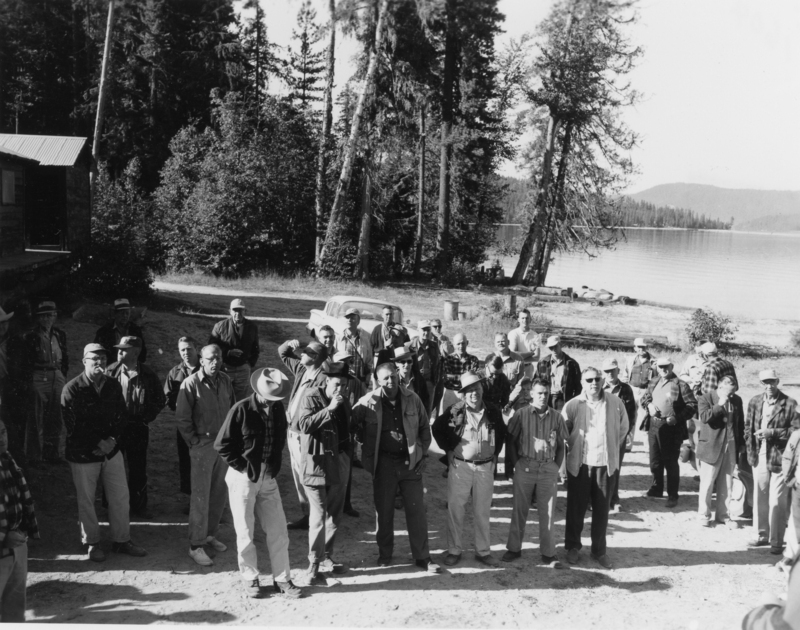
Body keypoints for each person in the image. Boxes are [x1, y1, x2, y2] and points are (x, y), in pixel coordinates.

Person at [214, 367, 302, 599]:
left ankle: (282, 579)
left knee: (278, 529)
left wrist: (271, 469)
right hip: (243, 476)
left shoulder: (277, 409)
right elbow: (222, 444)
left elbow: (279, 440)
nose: (274, 401)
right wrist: (243, 467)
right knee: (245, 530)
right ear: (259, 391)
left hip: (267, 477)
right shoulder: (241, 409)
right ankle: (250, 577)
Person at [61, 343, 147, 562]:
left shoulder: (112, 385)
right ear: (84, 362)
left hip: (111, 451)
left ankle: (122, 540)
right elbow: (73, 426)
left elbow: (122, 416)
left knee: (120, 497)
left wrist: (111, 441)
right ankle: (92, 543)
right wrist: (99, 442)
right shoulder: (72, 389)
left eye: (102, 358)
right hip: (82, 454)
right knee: (86, 500)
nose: (99, 362)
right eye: (94, 359)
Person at [352, 362, 440, 573]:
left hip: (410, 464)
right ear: (377, 380)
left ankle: (423, 557)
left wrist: (421, 456)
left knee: (416, 511)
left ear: (398, 375)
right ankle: (385, 554)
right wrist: (366, 456)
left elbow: (424, 429)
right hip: (383, 464)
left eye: (393, 376)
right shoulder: (367, 402)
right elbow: (354, 428)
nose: (390, 382)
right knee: (383, 512)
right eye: (385, 378)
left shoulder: (412, 399)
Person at [433, 372, 507, 567]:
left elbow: (501, 435)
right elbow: (437, 429)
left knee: (482, 511)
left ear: (482, 389)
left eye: (477, 388)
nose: (474, 393)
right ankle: (454, 550)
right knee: (456, 509)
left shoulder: (493, 410)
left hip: (485, 468)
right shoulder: (455, 410)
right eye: (469, 391)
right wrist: (448, 450)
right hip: (460, 466)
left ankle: (483, 552)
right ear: (463, 395)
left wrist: (494, 456)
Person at [562, 367, 629, 570]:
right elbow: (564, 431)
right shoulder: (573, 404)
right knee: (576, 509)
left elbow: (624, 428)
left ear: (603, 381)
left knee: (602, 510)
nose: (594, 383)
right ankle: (573, 547)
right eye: (589, 379)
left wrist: (610, 449)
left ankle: (599, 551)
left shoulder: (615, 403)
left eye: (597, 379)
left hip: (605, 465)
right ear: (582, 382)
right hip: (580, 465)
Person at [294, 362, 353, 586]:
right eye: (337, 384)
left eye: (344, 386)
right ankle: (313, 565)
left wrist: (346, 457)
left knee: (334, 514)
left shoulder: (344, 401)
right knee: (318, 517)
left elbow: (348, 429)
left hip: (338, 463)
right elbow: (304, 425)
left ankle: (326, 556)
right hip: (316, 464)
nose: (341, 389)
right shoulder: (310, 395)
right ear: (327, 381)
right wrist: (329, 410)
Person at [176, 344, 235, 566]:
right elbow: (182, 417)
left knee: (219, 492)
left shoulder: (225, 381)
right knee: (200, 496)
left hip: (223, 444)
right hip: (202, 444)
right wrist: (193, 441)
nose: (215, 362)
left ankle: (210, 534)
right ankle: (196, 545)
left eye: (218, 358)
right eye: (210, 359)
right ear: (201, 360)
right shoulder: (190, 384)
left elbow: (231, 410)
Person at [502, 379, 567, 568]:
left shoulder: (556, 417)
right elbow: (511, 440)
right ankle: (514, 548)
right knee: (519, 509)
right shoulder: (521, 415)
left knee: (547, 511)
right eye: (539, 393)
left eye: (546, 393)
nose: (542, 397)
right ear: (531, 394)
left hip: (548, 468)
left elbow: (562, 445)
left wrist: (556, 467)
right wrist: (516, 465)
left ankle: (548, 552)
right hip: (526, 466)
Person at [106, 336, 165, 517]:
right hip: (115, 428)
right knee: (112, 468)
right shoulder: (110, 372)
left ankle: (138, 506)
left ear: (136, 352)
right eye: (119, 349)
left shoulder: (148, 374)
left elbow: (160, 399)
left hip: (137, 427)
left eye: (124, 349)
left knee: (138, 467)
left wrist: (146, 417)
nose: (119, 352)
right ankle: (113, 507)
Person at [745, 369, 798, 555]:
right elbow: (748, 426)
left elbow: (796, 432)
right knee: (760, 495)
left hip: (780, 456)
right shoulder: (754, 401)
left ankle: (776, 541)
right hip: (758, 453)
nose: (769, 386)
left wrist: (772, 433)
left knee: (778, 499)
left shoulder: (790, 403)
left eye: (772, 382)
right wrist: (750, 445)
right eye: (765, 382)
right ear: (761, 383)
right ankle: (760, 535)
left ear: (778, 381)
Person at [279, 339, 329, 530]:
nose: (301, 354)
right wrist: (297, 343)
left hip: (307, 436)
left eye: (306, 352)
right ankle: (308, 515)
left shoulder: (324, 379)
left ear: (315, 357)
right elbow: (282, 352)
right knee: (298, 476)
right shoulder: (302, 370)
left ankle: (316, 518)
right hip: (292, 432)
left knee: (308, 476)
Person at [641, 357, 697, 507]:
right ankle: (656, 488)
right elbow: (644, 398)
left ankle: (673, 495)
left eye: (666, 366)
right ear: (656, 367)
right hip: (654, 425)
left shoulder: (681, 385)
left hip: (671, 429)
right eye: (660, 367)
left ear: (672, 366)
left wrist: (677, 418)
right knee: (655, 460)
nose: (663, 369)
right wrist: (649, 405)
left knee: (671, 462)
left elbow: (692, 405)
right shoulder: (654, 381)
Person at [0, 418, 39, 622]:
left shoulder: (8, 460)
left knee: (14, 610)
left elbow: (21, 501)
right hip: (3, 546)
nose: (1, 439)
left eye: (3, 432)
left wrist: (23, 530)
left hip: (17, 544)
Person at [21, 300, 68, 463]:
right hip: (39, 375)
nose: (47, 319)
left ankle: (52, 453)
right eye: (43, 316)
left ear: (55, 316)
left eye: (50, 315)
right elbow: (26, 362)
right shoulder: (31, 336)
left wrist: (63, 375)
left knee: (56, 416)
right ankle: (34, 456)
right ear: (38, 318)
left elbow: (65, 357)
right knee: (35, 417)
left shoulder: (60, 334)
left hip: (56, 374)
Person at [696, 375, 745, 528]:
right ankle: (704, 515)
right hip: (711, 446)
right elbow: (704, 418)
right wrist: (719, 405)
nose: (731, 396)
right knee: (708, 482)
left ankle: (723, 515)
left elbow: (740, 423)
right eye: (729, 393)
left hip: (730, 446)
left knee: (727, 483)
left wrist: (741, 443)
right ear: (720, 386)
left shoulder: (737, 400)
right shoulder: (705, 398)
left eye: (733, 392)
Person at [164, 337, 201, 498]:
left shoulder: (207, 368)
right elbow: (168, 398)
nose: (186, 353)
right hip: (185, 424)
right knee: (186, 461)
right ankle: (191, 498)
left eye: (189, 349)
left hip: (206, 422)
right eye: (182, 350)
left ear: (196, 349)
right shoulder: (175, 372)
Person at [332, 350, 366, 517]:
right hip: (330, 441)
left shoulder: (355, 383)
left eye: (348, 362)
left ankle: (345, 504)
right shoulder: (327, 386)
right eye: (342, 362)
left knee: (346, 474)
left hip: (346, 436)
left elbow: (361, 404)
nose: (346, 365)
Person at [602, 358, 636, 513]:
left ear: (618, 371)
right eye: (607, 371)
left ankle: (614, 498)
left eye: (613, 370)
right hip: (600, 434)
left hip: (618, 434)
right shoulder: (597, 386)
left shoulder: (626, 389)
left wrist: (627, 432)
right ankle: (598, 499)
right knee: (598, 467)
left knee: (615, 467)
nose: (610, 373)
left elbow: (631, 413)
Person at [209, 299, 260, 402]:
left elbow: (256, 348)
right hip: (225, 368)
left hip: (243, 369)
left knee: (240, 401)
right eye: (235, 310)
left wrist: (249, 364)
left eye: (240, 310)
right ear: (230, 311)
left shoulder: (252, 327)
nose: (238, 313)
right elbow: (212, 346)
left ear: (245, 311)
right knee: (222, 397)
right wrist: (227, 352)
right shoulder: (220, 326)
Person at [620, 338, 654, 445]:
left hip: (646, 391)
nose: (641, 349)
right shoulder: (631, 360)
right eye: (639, 347)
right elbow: (625, 375)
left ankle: (647, 444)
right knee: (630, 416)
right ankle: (628, 444)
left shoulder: (653, 361)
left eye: (643, 347)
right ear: (635, 348)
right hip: (632, 390)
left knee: (645, 417)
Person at [94, 298, 148, 363]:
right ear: (115, 314)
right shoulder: (104, 331)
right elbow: (97, 351)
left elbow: (142, 351)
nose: (125, 316)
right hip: (110, 367)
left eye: (127, 313)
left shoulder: (135, 330)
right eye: (122, 313)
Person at [536, 335, 581, 411]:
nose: (553, 349)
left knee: (563, 421)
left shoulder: (571, 364)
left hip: (564, 399)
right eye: (551, 347)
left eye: (555, 346)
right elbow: (536, 382)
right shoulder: (542, 363)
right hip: (547, 399)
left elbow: (578, 386)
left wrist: (574, 402)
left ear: (560, 345)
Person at [409, 320, 442, 415]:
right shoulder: (411, 346)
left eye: (428, 330)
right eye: (423, 330)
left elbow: (438, 364)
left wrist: (435, 381)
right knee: (414, 409)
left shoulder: (434, 346)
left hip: (429, 383)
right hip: (415, 383)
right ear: (418, 330)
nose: (426, 333)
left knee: (427, 410)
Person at [335, 308, 373, 385]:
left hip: (360, 378)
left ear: (358, 321)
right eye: (347, 318)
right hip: (344, 378)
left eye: (352, 318)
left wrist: (368, 376)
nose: (349, 320)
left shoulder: (366, 338)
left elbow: (369, 359)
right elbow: (335, 358)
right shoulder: (338, 338)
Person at [782, 428, 800, 571]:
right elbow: (788, 456)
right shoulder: (797, 435)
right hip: (798, 483)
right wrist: (789, 477)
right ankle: (790, 555)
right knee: (794, 521)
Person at [391, 346, 430, 411]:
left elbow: (425, 402)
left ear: (412, 363)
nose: (406, 365)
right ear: (396, 364)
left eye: (409, 361)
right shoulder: (391, 380)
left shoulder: (419, 380)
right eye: (403, 362)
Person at [507, 309, 541, 377]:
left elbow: (537, 357)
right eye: (522, 318)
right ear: (518, 319)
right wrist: (530, 353)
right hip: (514, 367)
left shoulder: (535, 336)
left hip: (528, 369)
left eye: (527, 318)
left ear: (530, 319)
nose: (525, 320)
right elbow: (513, 354)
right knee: (512, 387)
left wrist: (519, 356)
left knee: (527, 387)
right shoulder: (513, 334)